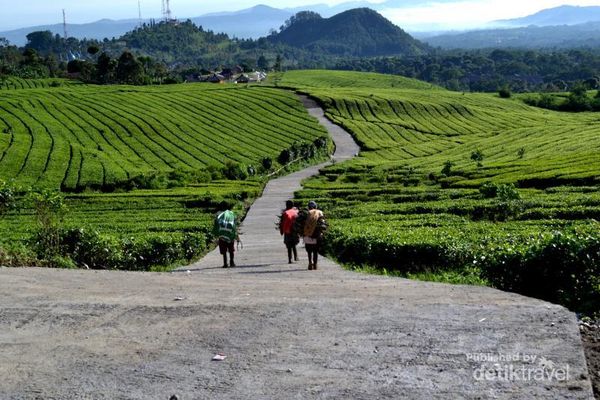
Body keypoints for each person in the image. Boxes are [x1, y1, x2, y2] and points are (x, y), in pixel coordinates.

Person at [302, 201, 326, 270]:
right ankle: (315, 264)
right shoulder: (319, 212)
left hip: (307, 235)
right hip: (316, 235)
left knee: (309, 251)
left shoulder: (306, 213)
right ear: (316, 206)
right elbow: (323, 223)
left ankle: (310, 262)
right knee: (315, 251)